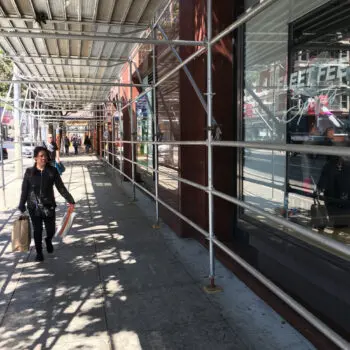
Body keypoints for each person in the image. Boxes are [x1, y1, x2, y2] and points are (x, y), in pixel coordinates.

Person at [18, 146, 75, 261]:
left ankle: (48, 240)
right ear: (35, 158)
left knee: (51, 231)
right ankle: (39, 253)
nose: (44, 158)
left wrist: (70, 199)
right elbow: (24, 190)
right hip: (33, 207)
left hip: (49, 206)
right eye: (41, 156)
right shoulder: (29, 172)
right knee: (37, 230)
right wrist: (21, 204)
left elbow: (61, 187)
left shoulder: (52, 171)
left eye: (45, 156)